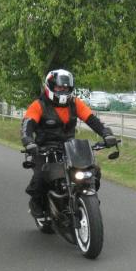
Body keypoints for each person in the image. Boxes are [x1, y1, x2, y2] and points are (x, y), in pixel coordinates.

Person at [20, 69, 117, 217]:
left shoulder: (75, 103)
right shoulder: (39, 105)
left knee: (93, 171)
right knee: (40, 177)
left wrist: (106, 133)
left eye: (66, 88)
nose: (63, 90)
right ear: (50, 87)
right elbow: (27, 125)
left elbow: (92, 120)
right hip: (44, 148)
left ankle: (87, 198)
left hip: (70, 147)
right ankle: (36, 202)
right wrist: (28, 141)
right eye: (59, 87)